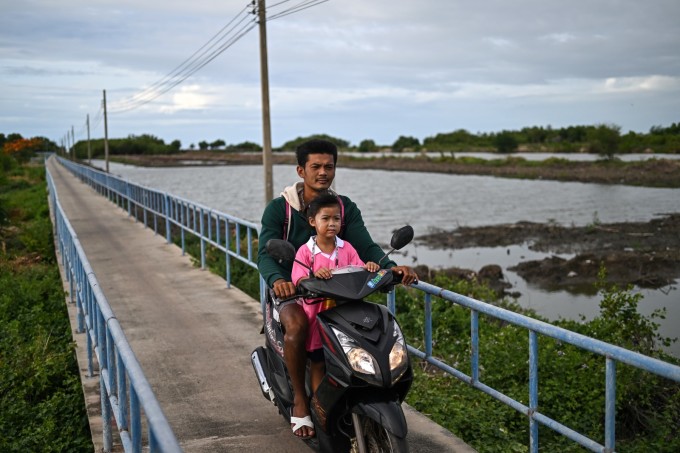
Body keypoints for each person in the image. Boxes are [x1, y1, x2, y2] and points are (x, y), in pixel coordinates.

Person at [257, 138, 417, 439]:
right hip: (294, 290)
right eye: (315, 166)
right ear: (301, 170)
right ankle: (301, 403)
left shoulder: (343, 208)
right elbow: (266, 253)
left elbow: (363, 245)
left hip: (337, 290)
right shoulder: (281, 209)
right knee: (296, 326)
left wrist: (387, 267)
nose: (323, 173)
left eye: (328, 167)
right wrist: (280, 281)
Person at [291, 191, 381, 396]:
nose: (332, 223)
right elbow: (299, 278)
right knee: (318, 363)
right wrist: (313, 275)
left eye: (336, 218)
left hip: (344, 314)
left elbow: (358, 269)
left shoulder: (347, 248)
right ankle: (318, 404)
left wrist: (369, 266)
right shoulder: (305, 252)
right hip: (317, 317)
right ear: (313, 221)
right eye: (326, 218)